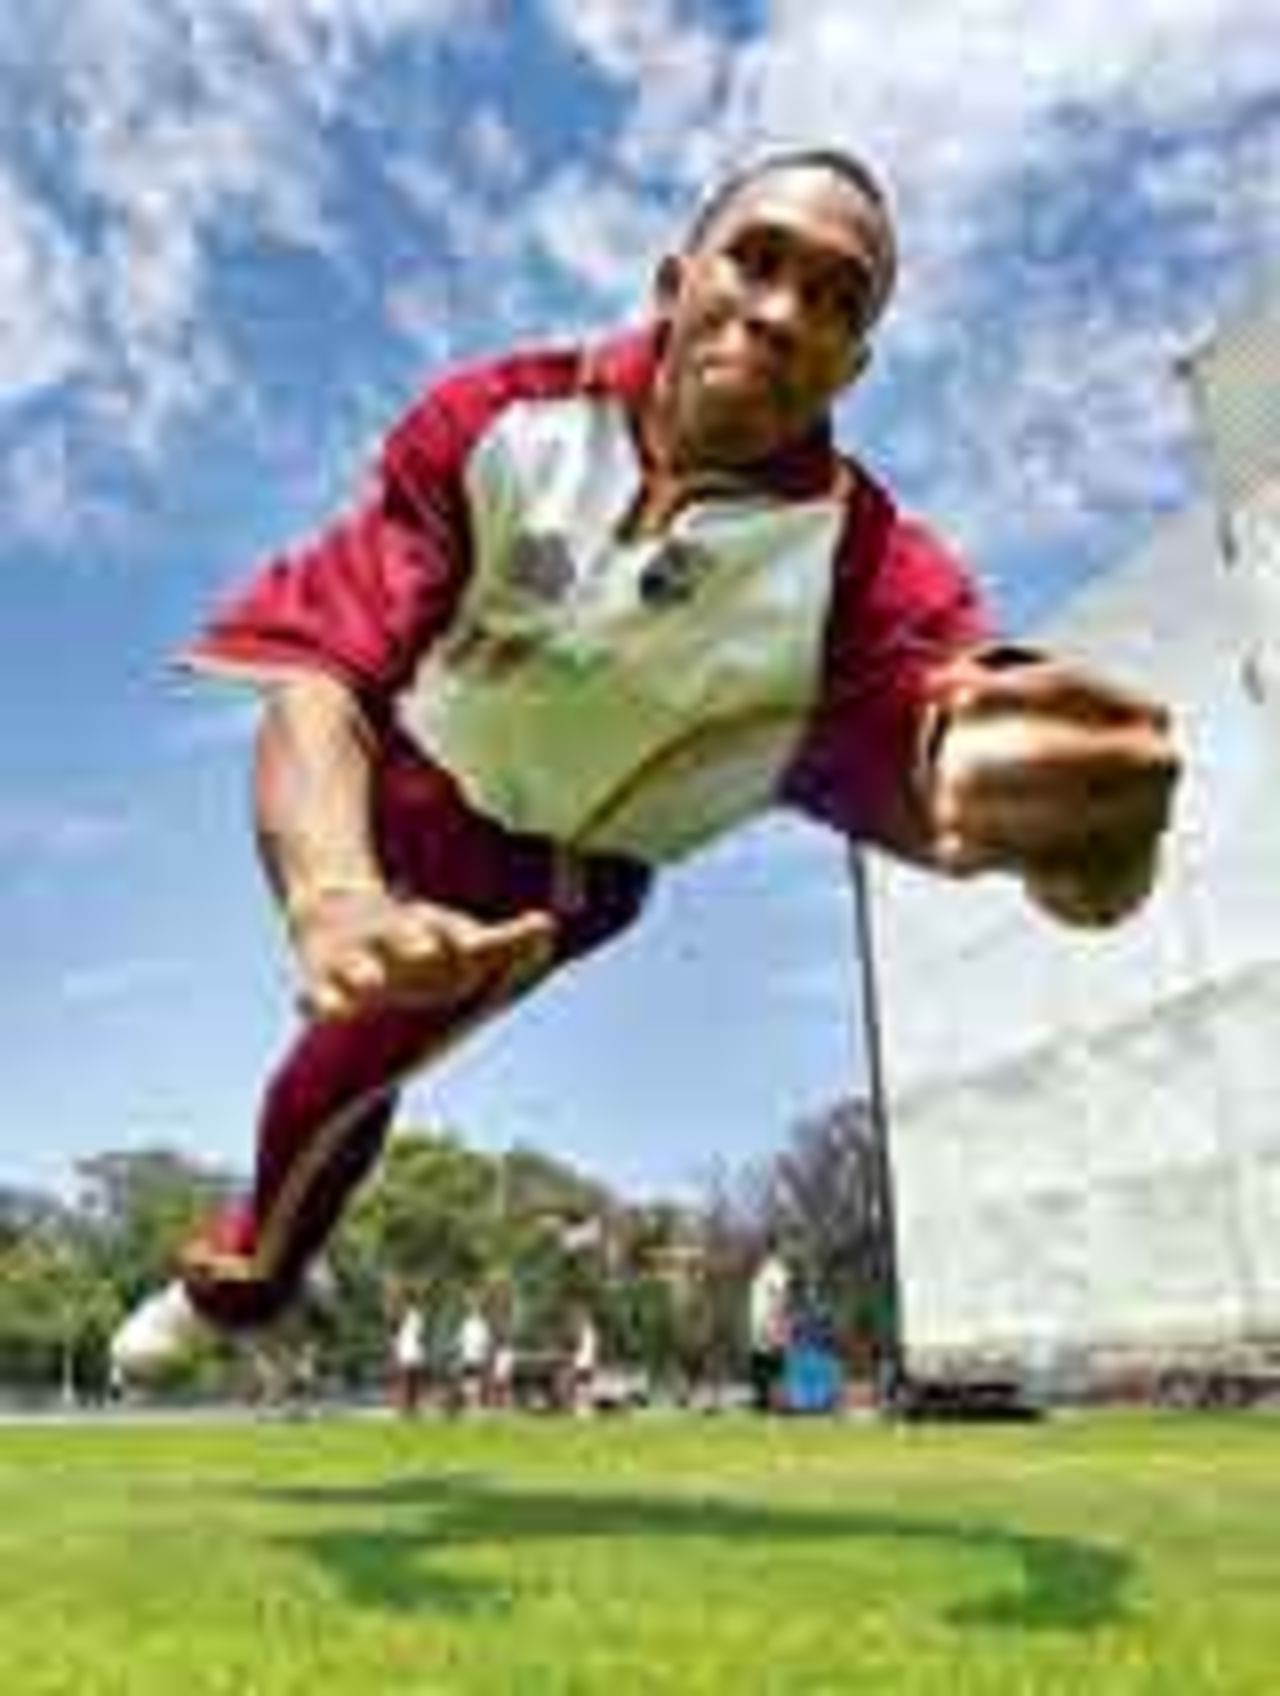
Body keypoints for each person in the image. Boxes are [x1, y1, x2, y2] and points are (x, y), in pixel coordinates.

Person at [111, 145, 1179, 1379]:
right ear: (676, 279)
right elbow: (324, 677)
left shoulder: (860, 566)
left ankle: (238, 1285)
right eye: (757, 261)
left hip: (550, 876)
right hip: (399, 775)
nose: (782, 314)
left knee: (336, 1075)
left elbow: (950, 692)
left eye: (836, 299)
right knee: (352, 1006)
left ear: (858, 364)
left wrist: (1073, 828)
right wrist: (335, 891)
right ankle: (262, 1231)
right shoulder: (499, 422)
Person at [747, 1242, 792, 1413]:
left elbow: (781, 1298)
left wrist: (775, 1324)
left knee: (775, 1365)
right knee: (761, 1364)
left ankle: (778, 1404)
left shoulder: (777, 1271)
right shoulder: (761, 1272)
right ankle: (763, 1401)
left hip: (771, 1324)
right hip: (759, 1325)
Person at [391, 1299, 427, 1416]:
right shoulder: (405, 1318)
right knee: (407, 1381)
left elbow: (419, 1335)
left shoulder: (414, 1317)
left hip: (412, 1352)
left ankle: (411, 1407)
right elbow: (397, 1335)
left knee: (411, 1381)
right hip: (407, 1352)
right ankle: (407, 1407)